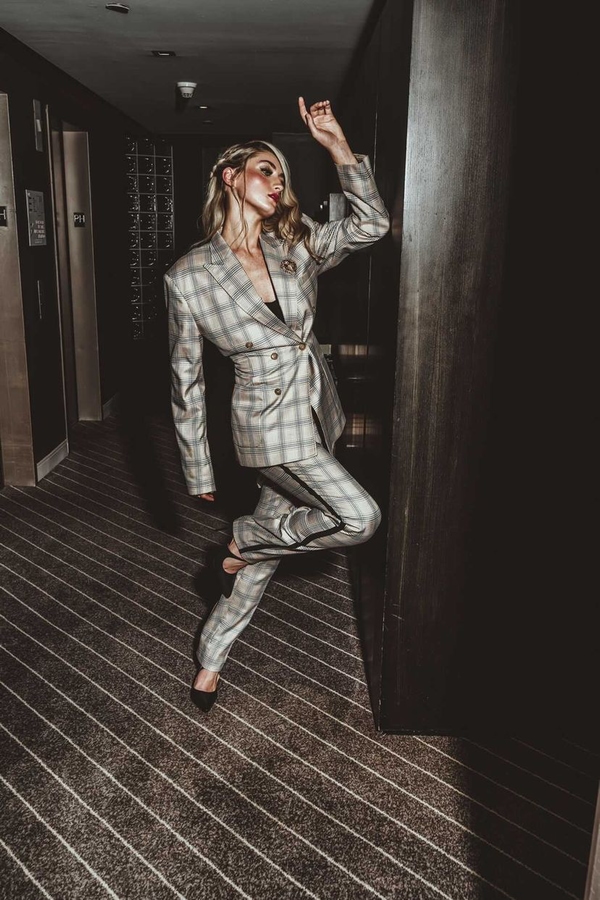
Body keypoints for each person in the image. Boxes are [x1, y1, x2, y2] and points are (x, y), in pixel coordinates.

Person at [165, 97, 389, 712]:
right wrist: (198, 469)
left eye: (282, 175)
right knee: (359, 518)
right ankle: (246, 537)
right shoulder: (189, 275)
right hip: (265, 427)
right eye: (265, 169)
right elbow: (186, 378)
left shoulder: (296, 242)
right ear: (230, 176)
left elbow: (371, 226)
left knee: (260, 563)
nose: (277, 182)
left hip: (317, 411)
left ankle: (211, 656)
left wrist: (337, 146)